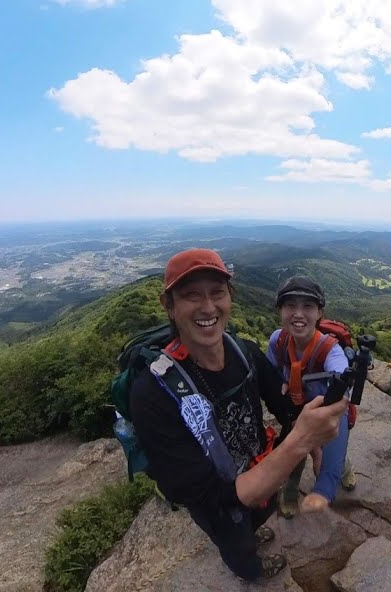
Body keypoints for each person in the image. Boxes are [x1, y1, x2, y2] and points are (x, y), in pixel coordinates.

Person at [129, 249, 348, 581]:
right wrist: (301, 442)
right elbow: (211, 498)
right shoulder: (152, 395)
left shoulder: (242, 351)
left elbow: (286, 406)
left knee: (257, 518)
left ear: (230, 297)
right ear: (169, 305)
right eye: (191, 296)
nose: (207, 307)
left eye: (217, 293)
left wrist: (315, 442)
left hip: (261, 472)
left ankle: (253, 534)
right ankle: (253, 572)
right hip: (220, 503)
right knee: (236, 543)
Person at [266, 275, 355, 516]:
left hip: (323, 409)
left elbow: (340, 379)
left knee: (332, 452)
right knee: (294, 455)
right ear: (281, 310)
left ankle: (342, 472)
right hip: (295, 408)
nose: (298, 313)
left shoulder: (330, 350)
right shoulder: (279, 340)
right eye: (290, 306)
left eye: (307, 306)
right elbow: (270, 370)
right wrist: (281, 387)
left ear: (319, 313)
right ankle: (289, 494)